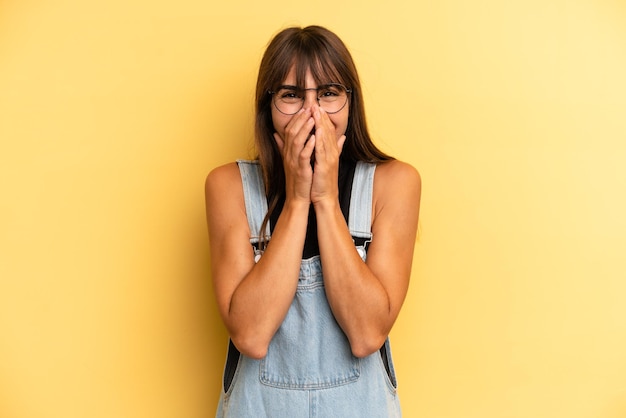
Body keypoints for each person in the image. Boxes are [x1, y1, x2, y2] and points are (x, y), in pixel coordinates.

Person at [205, 25, 421, 417]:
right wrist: (297, 198)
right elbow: (251, 335)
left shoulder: (395, 184)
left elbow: (367, 333)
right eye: (291, 95)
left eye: (328, 93)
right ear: (267, 107)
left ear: (349, 102)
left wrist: (324, 198)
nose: (312, 113)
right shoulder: (228, 187)